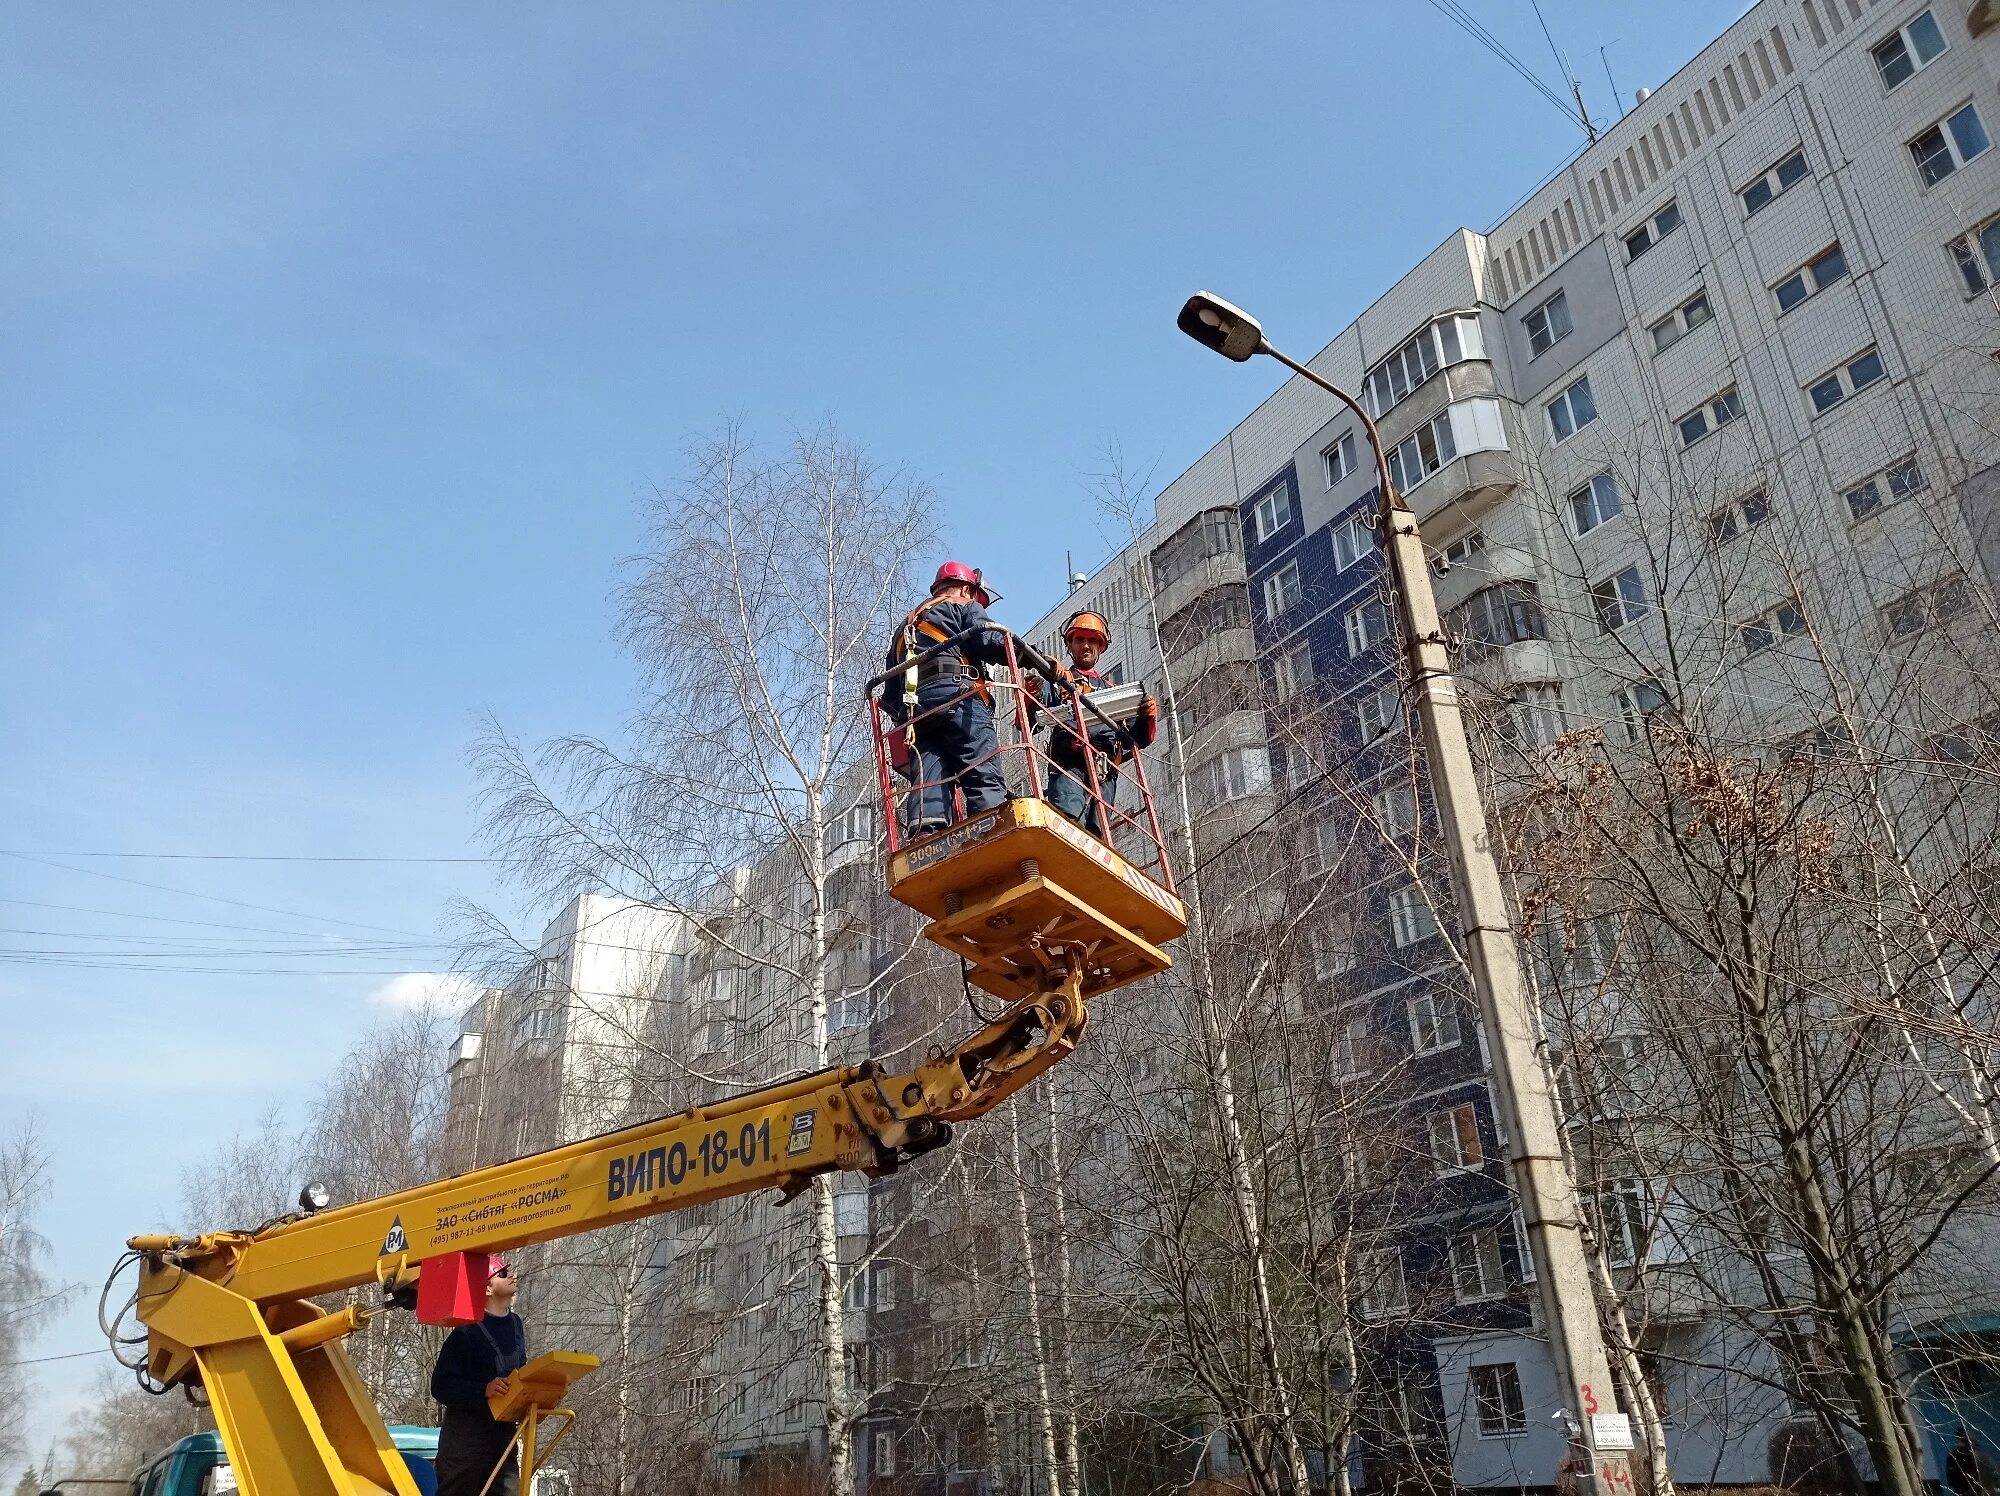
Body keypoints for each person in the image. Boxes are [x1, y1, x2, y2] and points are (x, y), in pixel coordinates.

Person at [886, 561, 1015, 837]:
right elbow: (990, 641)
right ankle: (991, 826)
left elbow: (889, 693)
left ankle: (925, 835)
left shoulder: (905, 627)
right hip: (960, 700)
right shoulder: (963, 605)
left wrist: (907, 717)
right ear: (967, 589)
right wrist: (1028, 655)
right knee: (982, 767)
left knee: (930, 770)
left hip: (917, 715)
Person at [1038, 610, 1157, 839]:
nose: (1086, 645)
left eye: (1092, 640)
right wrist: (1034, 688)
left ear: (1101, 647)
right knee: (1067, 824)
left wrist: (1147, 717)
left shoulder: (1115, 693)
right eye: (1080, 639)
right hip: (1069, 766)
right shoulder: (1058, 682)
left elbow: (1138, 740)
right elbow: (1032, 717)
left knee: (1097, 835)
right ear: (1069, 645)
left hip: (1104, 772)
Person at [430, 1258, 527, 1496]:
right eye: (503, 1273)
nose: (511, 1274)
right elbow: (441, 1386)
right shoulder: (466, 1332)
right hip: (465, 1446)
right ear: (486, 1288)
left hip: (503, 1440)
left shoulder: (516, 1324)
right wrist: (483, 1390)